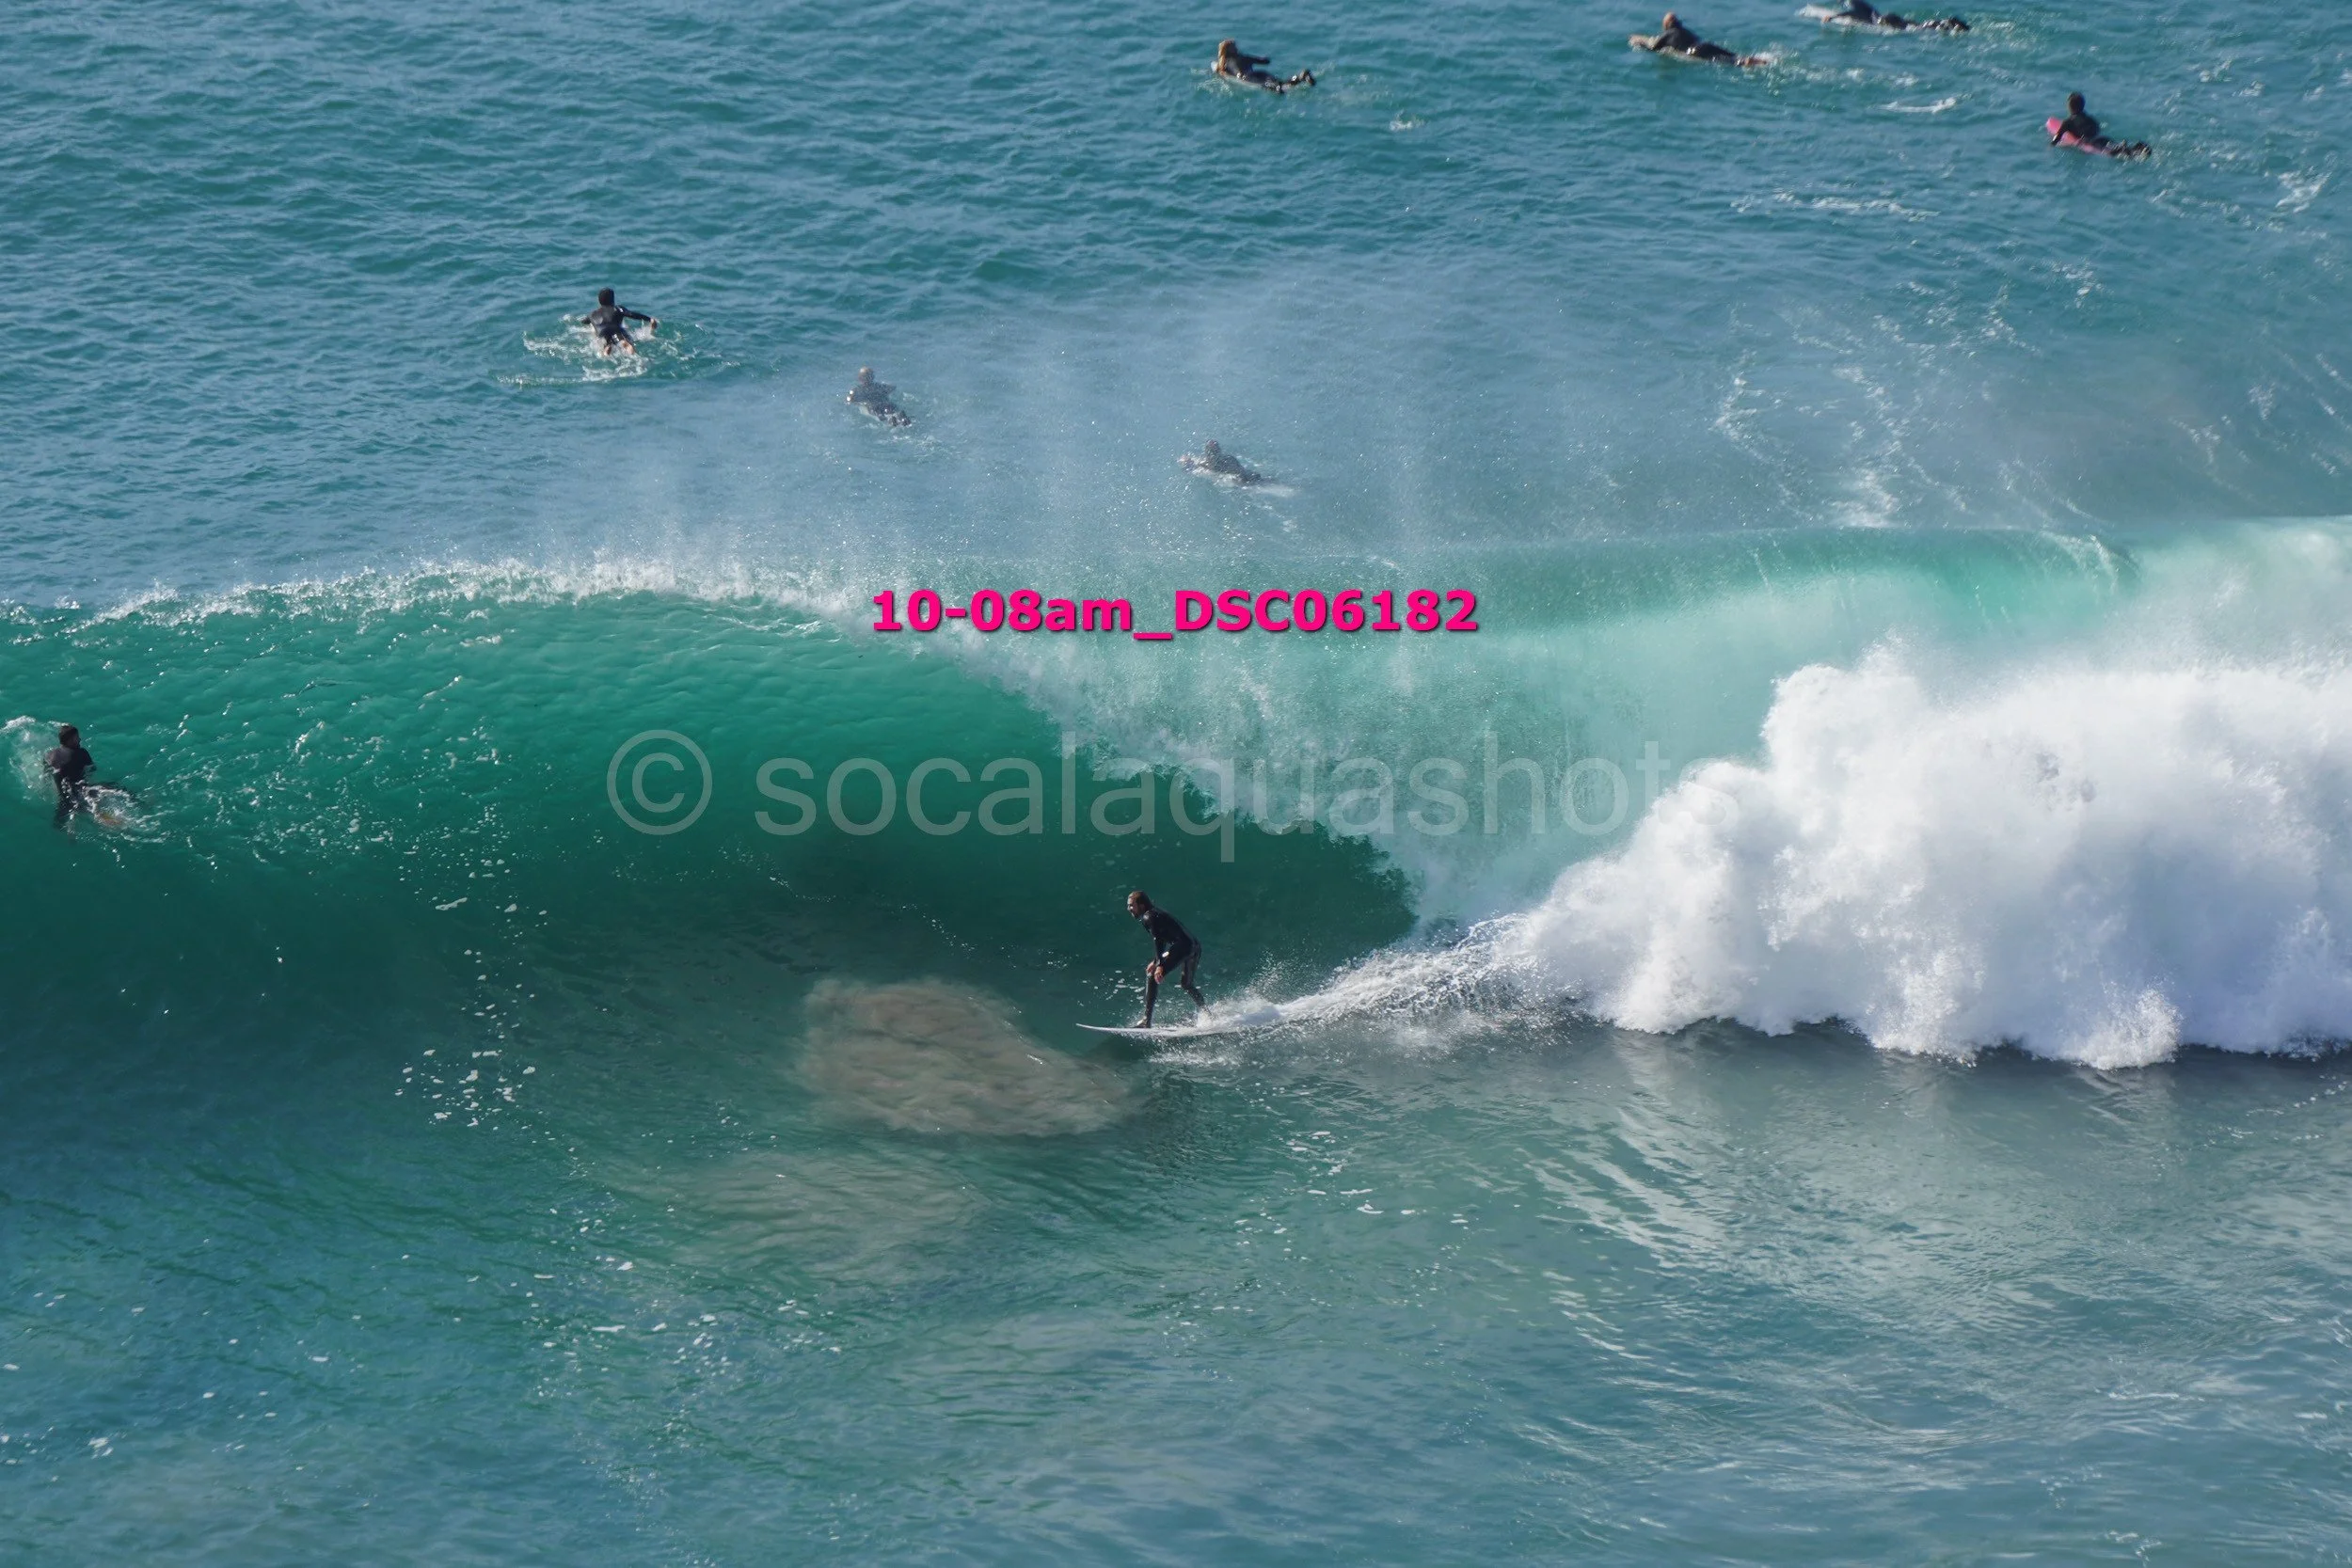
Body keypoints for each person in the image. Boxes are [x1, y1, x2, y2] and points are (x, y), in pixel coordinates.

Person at [1127, 891, 1205, 1028]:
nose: (1129, 909)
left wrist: (1160, 965)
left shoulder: (1148, 917)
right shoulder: (1155, 913)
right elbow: (1165, 940)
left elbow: (1158, 941)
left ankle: (1146, 1021)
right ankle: (1207, 1014)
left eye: (1131, 906)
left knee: (1152, 976)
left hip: (1183, 948)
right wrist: (1157, 960)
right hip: (1194, 946)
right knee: (1186, 984)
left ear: (1142, 905)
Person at [1630, 11, 1764, 66]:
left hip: (1695, 52)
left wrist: (1639, 42)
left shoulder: (1668, 34)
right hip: (1705, 44)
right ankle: (1754, 60)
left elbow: (1653, 48)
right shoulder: (1685, 30)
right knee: (1733, 56)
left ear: (1666, 25)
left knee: (1726, 62)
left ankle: (1746, 62)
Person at [2050, 92, 2149, 157]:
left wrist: (2052, 146)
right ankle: (2136, 147)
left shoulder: (2068, 122)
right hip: (2101, 137)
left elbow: (2056, 140)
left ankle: (2125, 149)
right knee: (2114, 145)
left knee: (2112, 152)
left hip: (2090, 141)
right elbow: (2097, 128)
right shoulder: (2090, 118)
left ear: (2070, 107)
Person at [1216, 39, 1314, 93]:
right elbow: (1265, 61)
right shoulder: (1245, 57)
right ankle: (1301, 77)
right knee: (1280, 82)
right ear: (1230, 50)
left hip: (1246, 77)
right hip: (1260, 73)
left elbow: (1221, 72)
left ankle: (1280, 88)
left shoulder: (1223, 64)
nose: (1237, 48)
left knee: (1269, 86)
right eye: (1235, 47)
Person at [581, 288, 658, 356]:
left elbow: (584, 321)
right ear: (612, 300)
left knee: (607, 344)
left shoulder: (592, 314)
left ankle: (606, 352)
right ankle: (633, 357)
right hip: (615, 330)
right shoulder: (617, 308)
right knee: (626, 344)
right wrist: (649, 319)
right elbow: (631, 314)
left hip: (602, 334)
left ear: (599, 301)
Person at [46, 723, 94, 827]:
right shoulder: (82, 752)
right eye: (77, 738)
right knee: (116, 788)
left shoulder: (50, 755)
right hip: (82, 791)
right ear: (71, 740)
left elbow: (47, 773)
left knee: (58, 824)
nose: (80, 739)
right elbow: (92, 769)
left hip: (64, 798)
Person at [1828, 0, 1968, 30]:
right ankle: (1947, 22)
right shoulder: (1860, 1)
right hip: (1889, 17)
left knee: (1919, 29)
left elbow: (1852, 13)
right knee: (1918, 25)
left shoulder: (1850, 2)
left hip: (1884, 20)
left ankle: (1946, 24)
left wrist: (1833, 17)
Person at [848, 367, 912, 428]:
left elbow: (849, 401)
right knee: (894, 413)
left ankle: (891, 420)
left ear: (859, 378)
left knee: (883, 417)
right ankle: (902, 418)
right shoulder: (881, 386)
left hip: (874, 407)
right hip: (888, 404)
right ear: (872, 377)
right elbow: (893, 388)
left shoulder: (855, 390)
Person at [1180, 439, 1263, 483]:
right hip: (1251, 475)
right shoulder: (1229, 458)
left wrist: (1187, 463)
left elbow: (1190, 469)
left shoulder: (1211, 464)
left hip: (1247, 479)